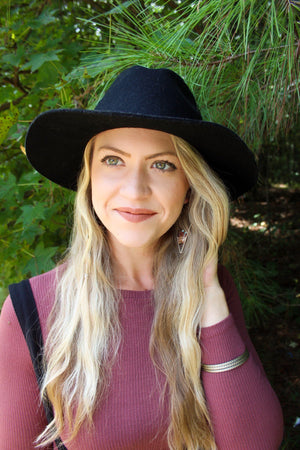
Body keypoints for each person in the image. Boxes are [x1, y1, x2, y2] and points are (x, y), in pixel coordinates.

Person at [0, 66, 283, 449]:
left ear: (189, 187)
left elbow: (255, 443)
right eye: (113, 161)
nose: (134, 191)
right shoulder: (30, 308)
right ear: (89, 177)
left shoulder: (212, 291)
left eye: (162, 165)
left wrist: (209, 297)